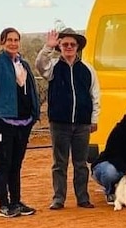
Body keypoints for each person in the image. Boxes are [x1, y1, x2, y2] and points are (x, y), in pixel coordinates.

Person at [0, 27, 41, 218]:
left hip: (23, 122)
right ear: (2, 42)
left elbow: (31, 90)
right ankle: (4, 205)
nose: (13, 43)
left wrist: (34, 115)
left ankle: (16, 202)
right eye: (9, 40)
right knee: (3, 162)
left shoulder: (23, 64)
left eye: (16, 40)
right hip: (0, 122)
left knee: (16, 164)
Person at [35, 27, 100, 210]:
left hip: (82, 123)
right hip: (59, 123)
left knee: (81, 163)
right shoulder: (53, 67)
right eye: (65, 44)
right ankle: (58, 198)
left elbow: (95, 95)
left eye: (72, 44)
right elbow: (40, 65)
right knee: (59, 163)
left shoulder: (88, 69)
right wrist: (48, 47)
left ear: (78, 47)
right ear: (60, 47)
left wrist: (93, 118)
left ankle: (82, 198)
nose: (69, 47)